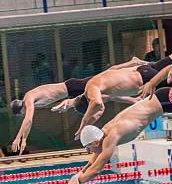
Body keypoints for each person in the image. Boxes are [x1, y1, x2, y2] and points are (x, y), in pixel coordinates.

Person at [74, 26, 172, 140]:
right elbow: (113, 72)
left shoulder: (91, 90)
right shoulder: (97, 81)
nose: (98, 112)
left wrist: (83, 124)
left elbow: (96, 103)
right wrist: (130, 63)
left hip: (146, 80)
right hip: (143, 70)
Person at [9, 57, 150, 154]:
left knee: (107, 77)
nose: (24, 114)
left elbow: (28, 120)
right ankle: (134, 98)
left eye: (21, 113)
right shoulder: (30, 97)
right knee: (106, 88)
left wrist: (20, 138)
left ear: (19, 109)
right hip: (69, 91)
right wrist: (67, 104)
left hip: (71, 88)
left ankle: (133, 64)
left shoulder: (28, 99)